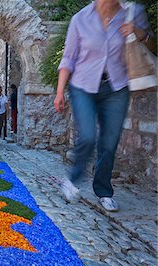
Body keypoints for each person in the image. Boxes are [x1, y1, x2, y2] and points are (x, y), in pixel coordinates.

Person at [54, 0, 152, 212]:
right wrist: (60, 91)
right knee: (88, 136)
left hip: (117, 87)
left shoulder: (132, 12)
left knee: (109, 143)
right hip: (83, 86)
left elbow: (150, 44)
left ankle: (104, 191)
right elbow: (68, 58)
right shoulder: (80, 19)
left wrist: (137, 31)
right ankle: (72, 180)